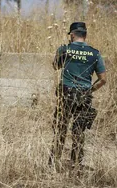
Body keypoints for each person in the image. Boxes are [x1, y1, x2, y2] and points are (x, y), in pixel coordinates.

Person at [49, 22, 106, 171]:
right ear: (85, 35)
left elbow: (55, 66)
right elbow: (103, 79)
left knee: (61, 128)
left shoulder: (65, 49)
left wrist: (64, 53)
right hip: (84, 94)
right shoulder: (95, 53)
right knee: (79, 131)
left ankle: (54, 163)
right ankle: (76, 165)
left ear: (72, 35)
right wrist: (89, 91)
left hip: (66, 93)